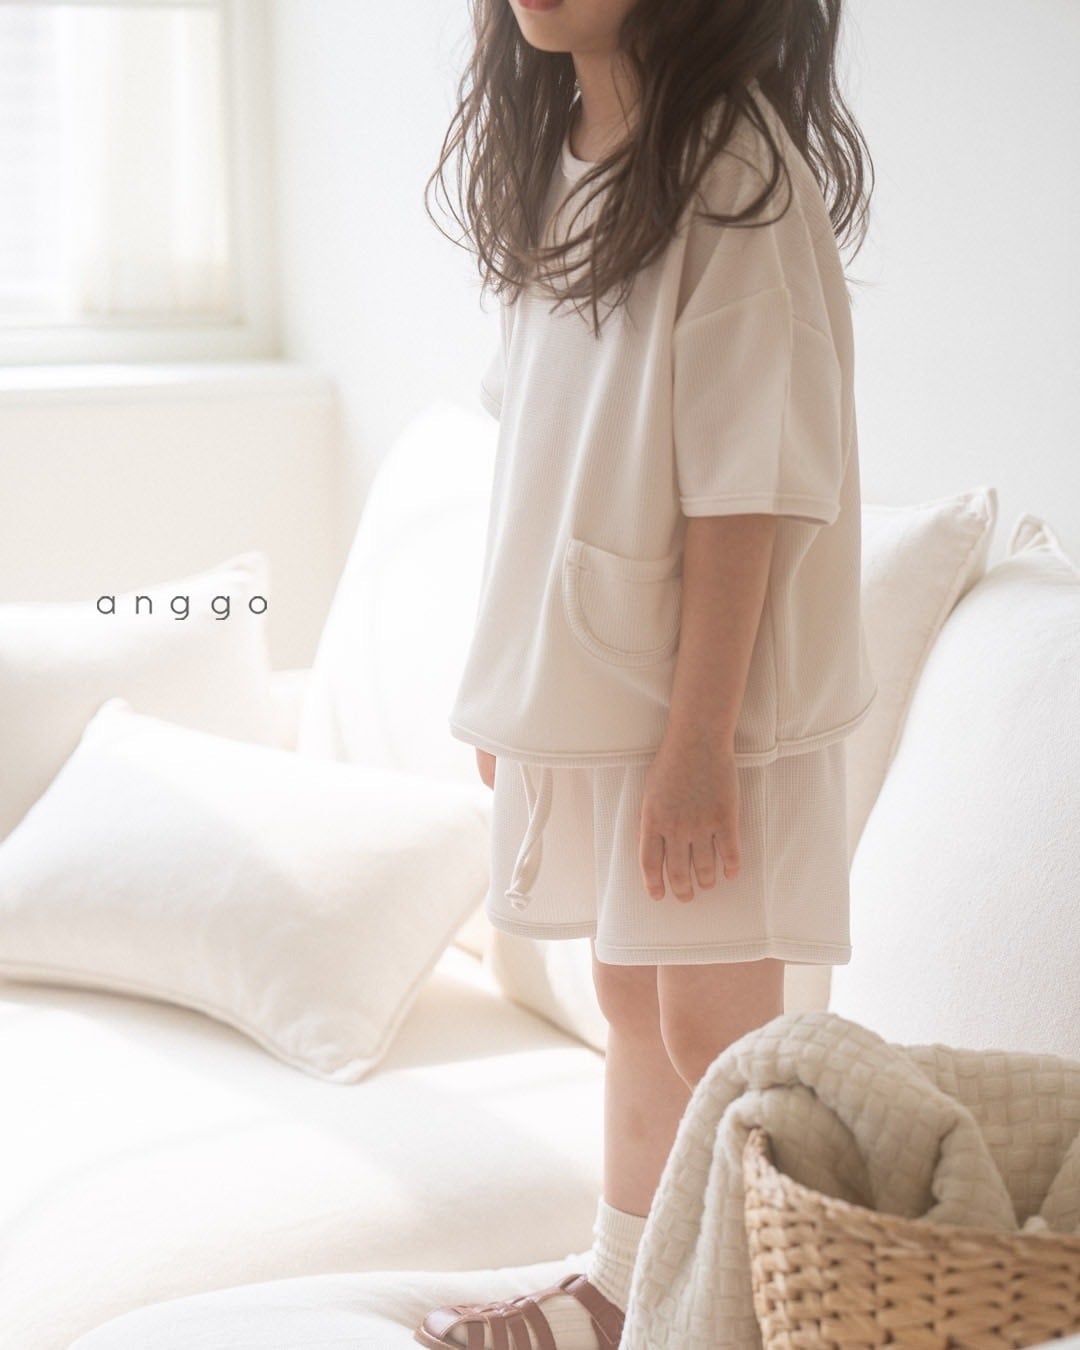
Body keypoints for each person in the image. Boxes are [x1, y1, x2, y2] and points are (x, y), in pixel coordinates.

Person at [416, 0, 877, 1345]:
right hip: (611, 681)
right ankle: (626, 1287)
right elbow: (535, 449)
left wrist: (699, 743)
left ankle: (758, 1311)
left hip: (714, 705)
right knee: (629, 990)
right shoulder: (559, 154)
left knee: (716, 1027)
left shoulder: (734, 169)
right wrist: (519, 686)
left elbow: (751, 484)